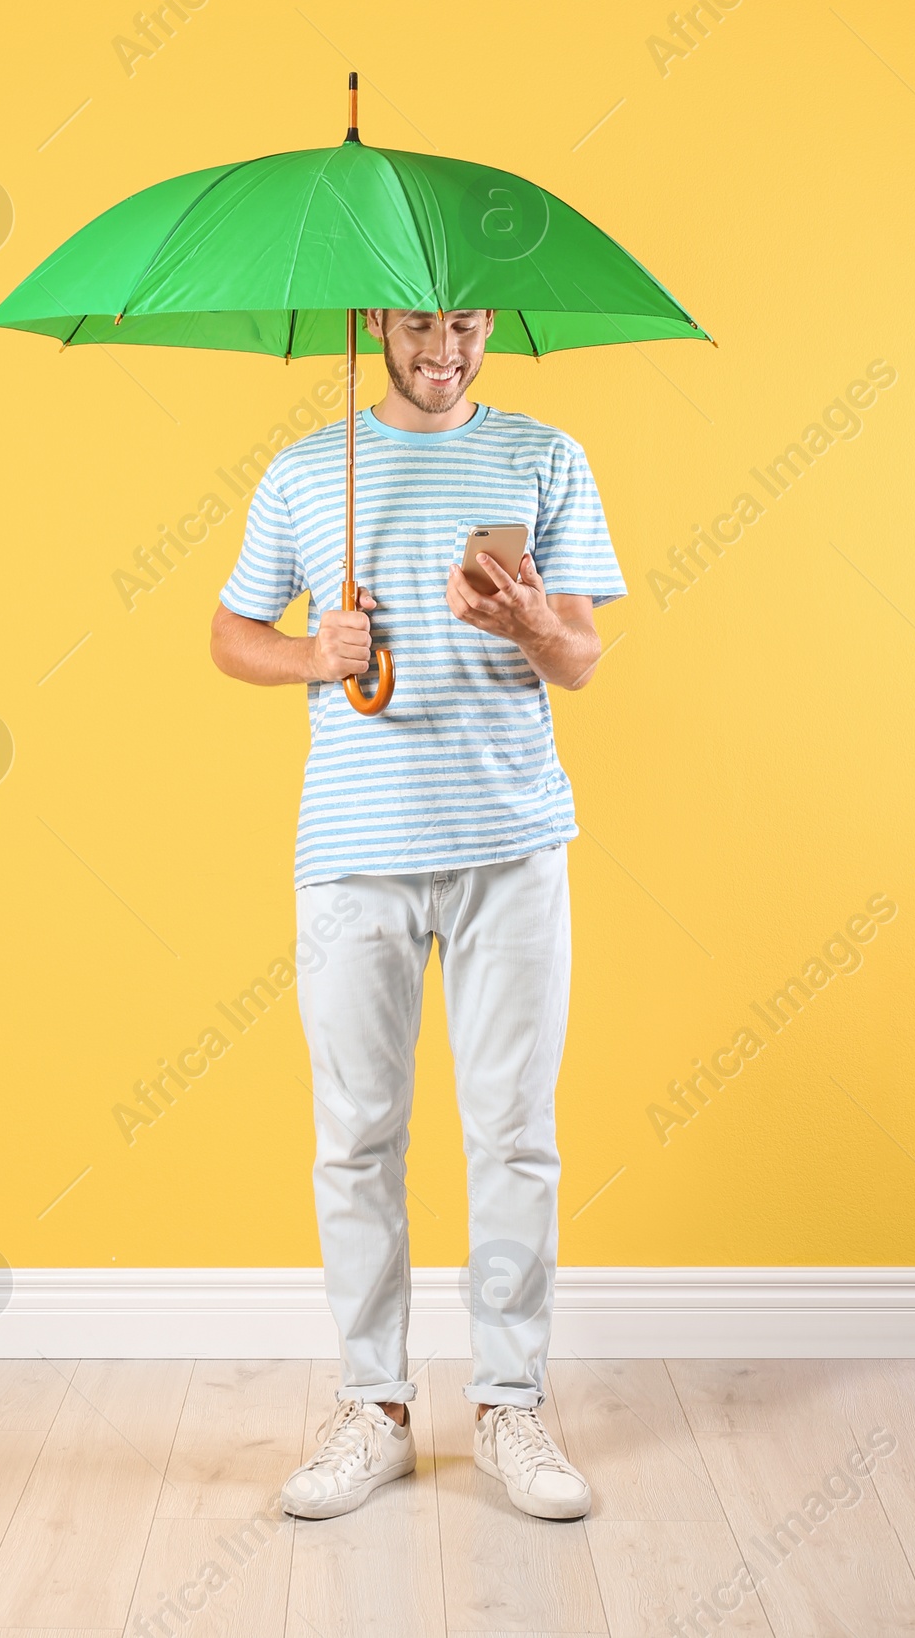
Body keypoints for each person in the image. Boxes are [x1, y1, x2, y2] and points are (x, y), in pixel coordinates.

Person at [210, 307, 625, 1522]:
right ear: (372, 326)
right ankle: (373, 1406)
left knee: (512, 1131)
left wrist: (529, 621)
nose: (441, 348)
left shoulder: (544, 456)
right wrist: (312, 655)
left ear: (485, 324)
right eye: (415, 324)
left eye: (462, 322)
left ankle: (509, 1404)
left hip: (511, 846)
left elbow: (585, 657)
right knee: (354, 1136)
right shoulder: (303, 472)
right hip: (353, 854)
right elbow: (230, 635)